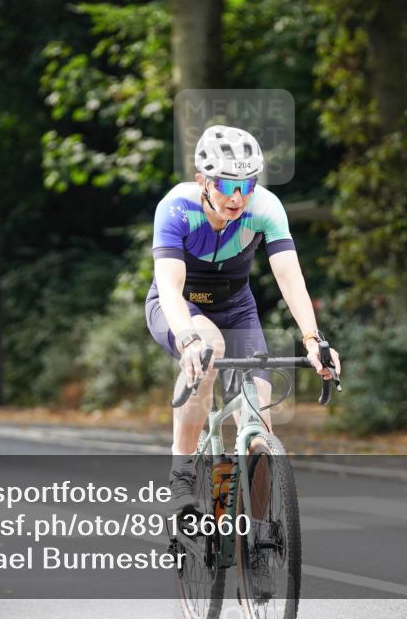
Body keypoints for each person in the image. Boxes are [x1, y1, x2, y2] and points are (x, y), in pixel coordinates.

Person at [145, 124, 341, 510]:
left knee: (260, 424)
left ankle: (259, 533)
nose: (237, 197)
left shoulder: (265, 208)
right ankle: (181, 473)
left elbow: (288, 274)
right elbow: (169, 286)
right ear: (202, 180)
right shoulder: (176, 208)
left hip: (237, 308)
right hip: (183, 305)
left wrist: (312, 339)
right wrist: (187, 340)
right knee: (209, 351)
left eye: (246, 185)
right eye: (225, 185)